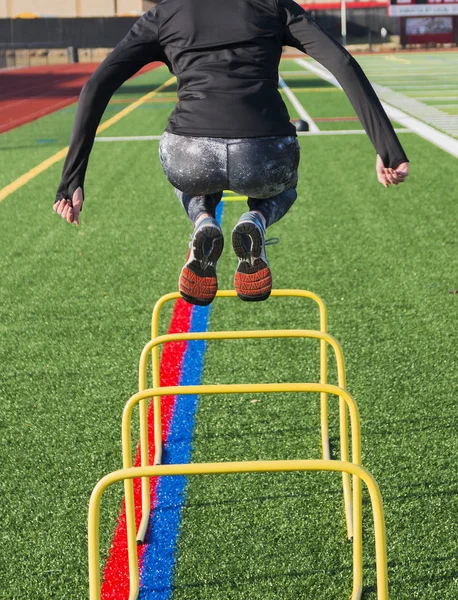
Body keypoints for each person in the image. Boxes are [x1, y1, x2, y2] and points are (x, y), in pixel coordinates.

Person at [54, 0, 409, 306]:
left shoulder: (165, 13)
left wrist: (71, 182)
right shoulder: (273, 5)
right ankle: (256, 219)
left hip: (190, 152)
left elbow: (96, 86)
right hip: (263, 153)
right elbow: (343, 63)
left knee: (191, 172)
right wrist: (388, 149)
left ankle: (202, 220)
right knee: (285, 183)